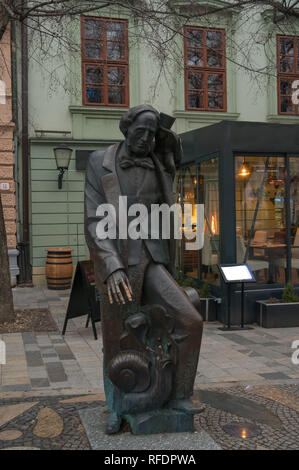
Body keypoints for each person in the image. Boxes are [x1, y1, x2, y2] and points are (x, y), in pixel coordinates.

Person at [84, 105, 203, 434]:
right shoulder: (100, 162)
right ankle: (116, 407)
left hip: (153, 259)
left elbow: (174, 147)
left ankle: (179, 396)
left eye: (152, 134)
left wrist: (160, 131)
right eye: (141, 132)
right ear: (126, 129)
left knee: (190, 321)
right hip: (120, 264)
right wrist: (110, 267)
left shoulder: (160, 162)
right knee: (115, 339)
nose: (146, 139)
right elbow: (94, 222)